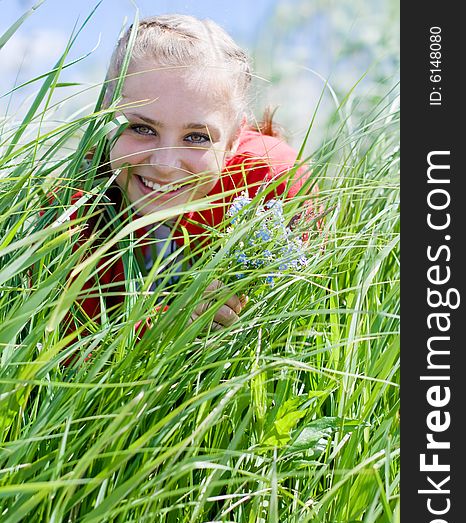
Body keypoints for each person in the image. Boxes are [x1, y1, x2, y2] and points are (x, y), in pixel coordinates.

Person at [65, 14, 319, 334]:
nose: (165, 162)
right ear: (105, 117)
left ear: (233, 137)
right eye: (142, 128)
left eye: (197, 137)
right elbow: (60, 354)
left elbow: (302, 324)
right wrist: (161, 326)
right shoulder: (73, 206)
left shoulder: (271, 181)